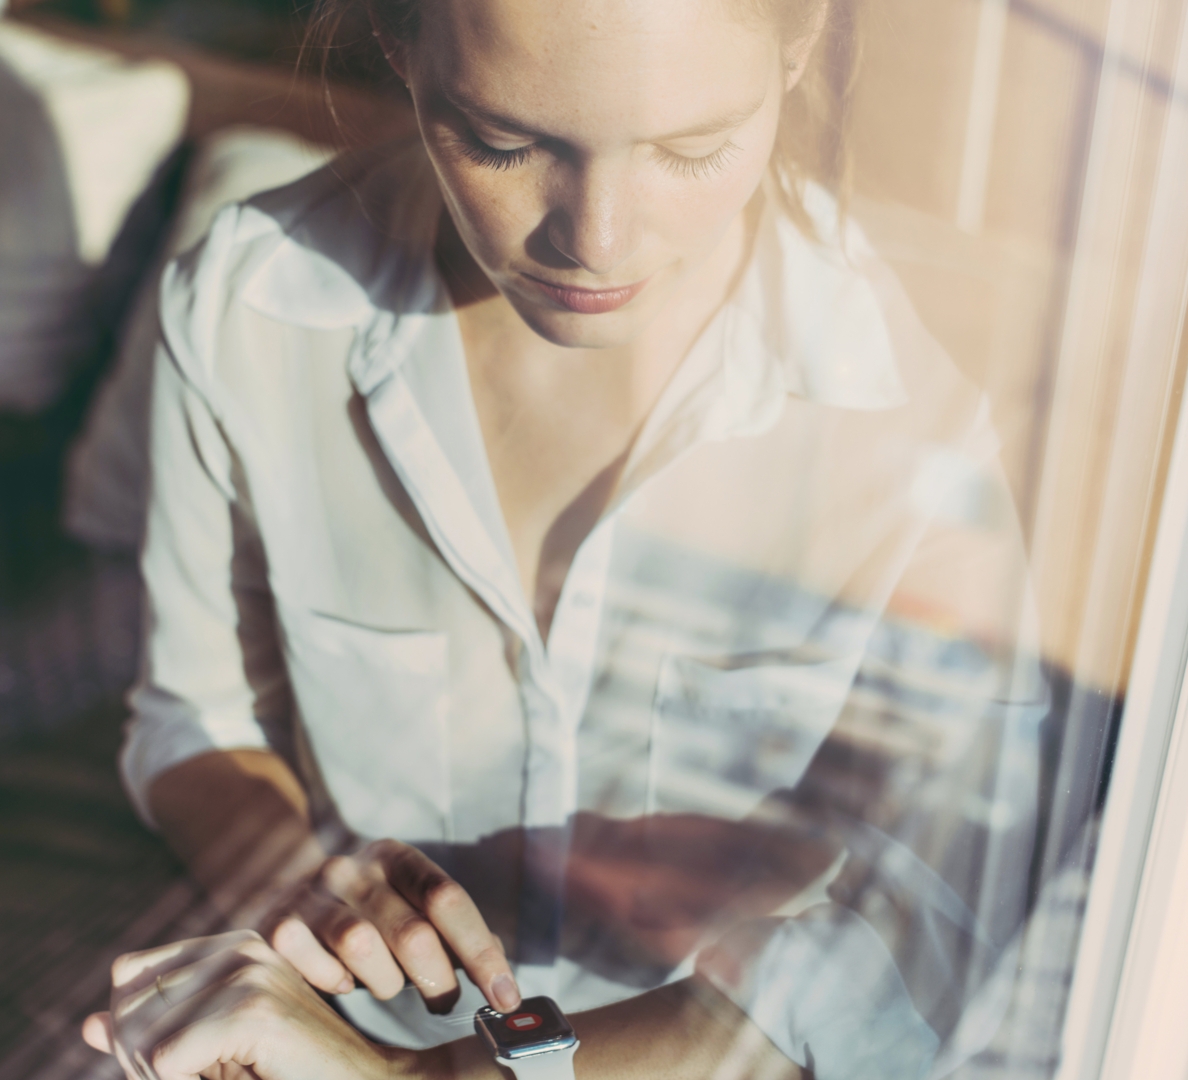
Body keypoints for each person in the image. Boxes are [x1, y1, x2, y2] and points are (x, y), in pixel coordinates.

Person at [80, 0, 1049, 1075]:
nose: (597, 240)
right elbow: (195, 717)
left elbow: (953, 906)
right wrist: (299, 876)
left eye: (692, 150)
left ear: (802, 42)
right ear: (400, 49)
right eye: (504, 143)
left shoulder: (912, 404)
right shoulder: (246, 311)